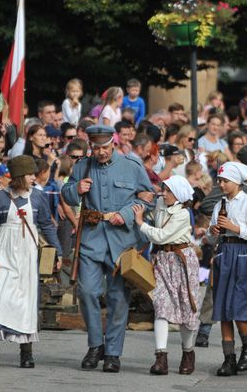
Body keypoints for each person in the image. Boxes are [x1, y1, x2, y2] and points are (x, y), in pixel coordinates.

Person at [61, 125, 154, 373]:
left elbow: (148, 197)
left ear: (113, 143)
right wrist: (76, 189)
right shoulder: (82, 166)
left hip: (121, 241)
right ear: (90, 145)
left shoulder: (132, 166)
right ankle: (95, 345)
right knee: (87, 292)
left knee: (118, 298)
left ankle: (113, 352)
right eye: (96, 147)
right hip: (91, 238)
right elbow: (66, 193)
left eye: (105, 147)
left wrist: (125, 214)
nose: (101, 152)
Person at [0, 155, 63, 368]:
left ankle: (26, 351)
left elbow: (46, 225)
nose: (35, 177)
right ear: (19, 176)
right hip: (4, 251)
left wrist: (57, 252)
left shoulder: (38, 198)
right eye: (30, 174)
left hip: (26, 255)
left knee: (25, 300)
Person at [132, 176, 199, 376]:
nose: (164, 193)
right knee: (160, 305)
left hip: (181, 262)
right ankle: (160, 357)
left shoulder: (183, 214)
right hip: (163, 260)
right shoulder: (161, 203)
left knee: (186, 307)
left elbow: (161, 235)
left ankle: (188, 352)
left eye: (168, 191)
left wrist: (140, 223)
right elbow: (151, 203)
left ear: (178, 194)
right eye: (164, 189)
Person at [207, 161, 247, 377]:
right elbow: (211, 235)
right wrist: (212, 231)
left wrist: (235, 228)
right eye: (220, 180)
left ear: (236, 182)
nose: (221, 184)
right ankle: (228, 358)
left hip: (243, 254)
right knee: (223, 309)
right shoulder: (219, 204)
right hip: (225, 253)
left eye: (225, 181)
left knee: (239, 307)